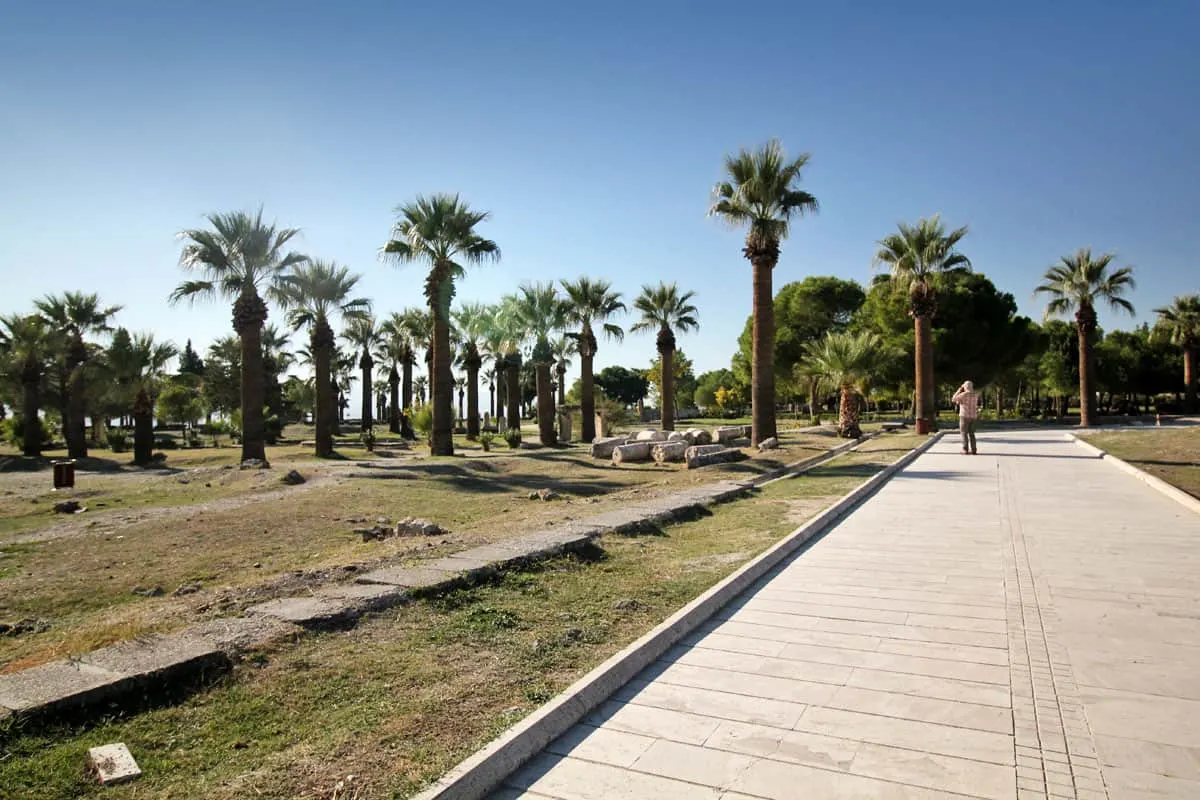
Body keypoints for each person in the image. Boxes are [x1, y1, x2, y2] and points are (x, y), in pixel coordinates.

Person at [952, 380, 980, 454]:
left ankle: (965, 449)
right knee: (972, 433)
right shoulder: (976, 394)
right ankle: (974, 449)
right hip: (973, 416)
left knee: (964, 433)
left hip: (964, 416)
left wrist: (959, 390)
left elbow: (953, 399)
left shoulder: (963, 395)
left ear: (965, 387)